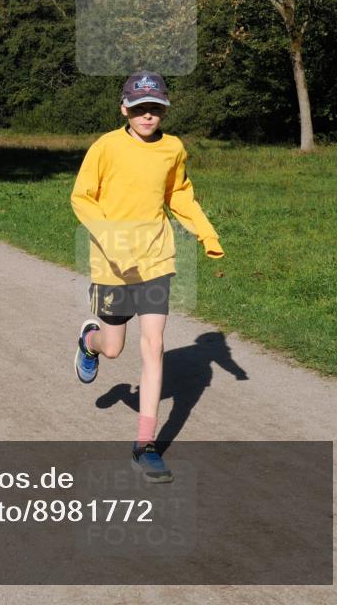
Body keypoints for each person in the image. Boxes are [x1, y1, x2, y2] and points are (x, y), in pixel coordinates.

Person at [70, 72, 224, 483]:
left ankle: (145, 445)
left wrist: (204, 230)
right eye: (139, 107)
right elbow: (82, 196)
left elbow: (179, 193)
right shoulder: (106, 147)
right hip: (113, 264)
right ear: (124, 108)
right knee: (115, 349)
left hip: (157, 258)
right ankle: (89, 342)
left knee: (154, 346)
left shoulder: (172, 148)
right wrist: (109, 238)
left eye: (155, 107)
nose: (147, 114)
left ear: (165, 109)